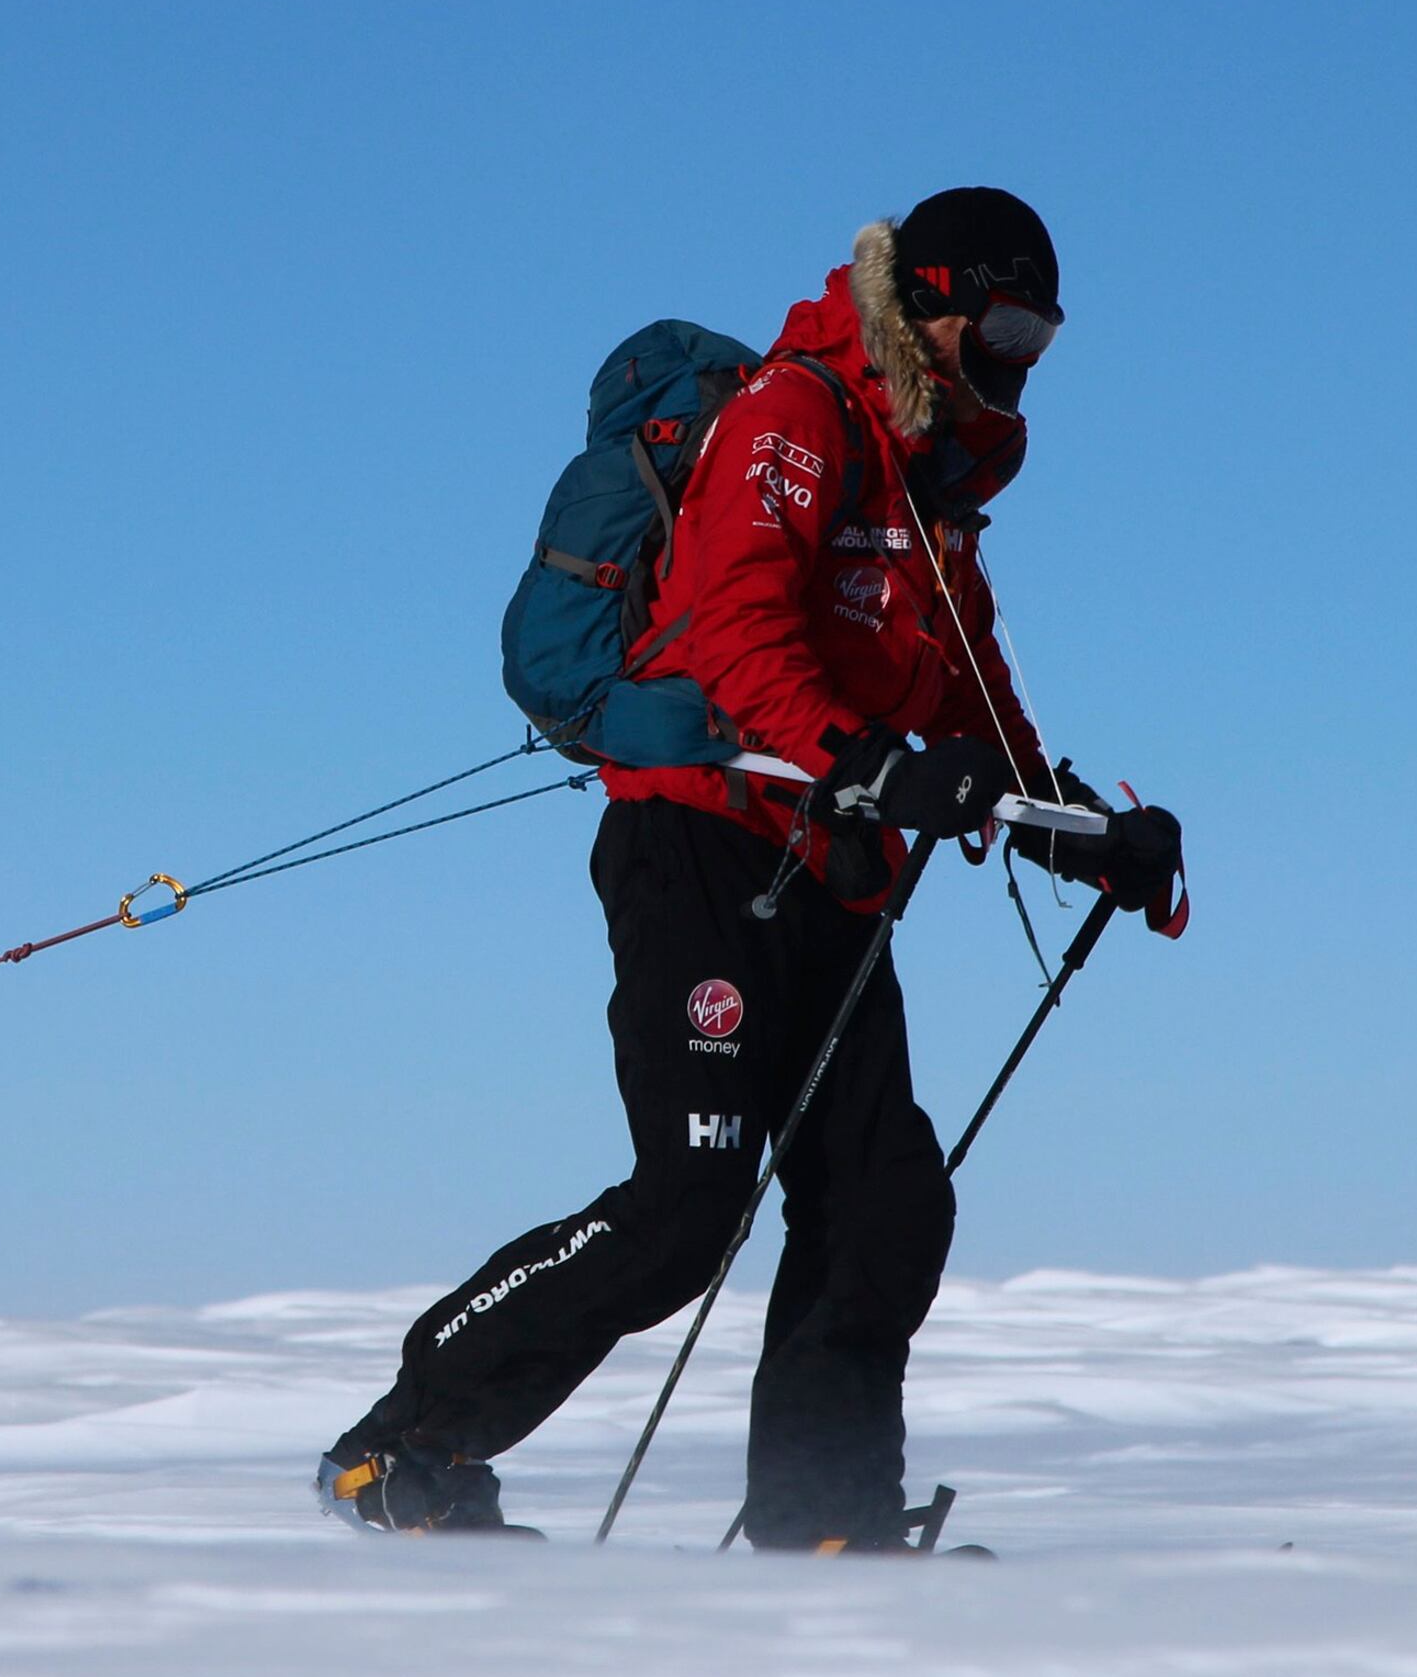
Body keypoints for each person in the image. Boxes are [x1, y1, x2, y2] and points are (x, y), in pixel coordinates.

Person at [318, 187, 1187, 1547]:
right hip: (703, 843)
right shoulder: (799, 413)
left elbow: (974, 696)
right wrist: (868, 759)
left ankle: (822, 1524)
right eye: (1003, 327)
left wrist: (1085, 833)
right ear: (930, 301)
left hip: (833, 871)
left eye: (1041, 338)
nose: (1019, 360)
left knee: (882, 1202)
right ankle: (400, 1446)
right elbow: (736, 630)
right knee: (689, 1201)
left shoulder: (933, 486)